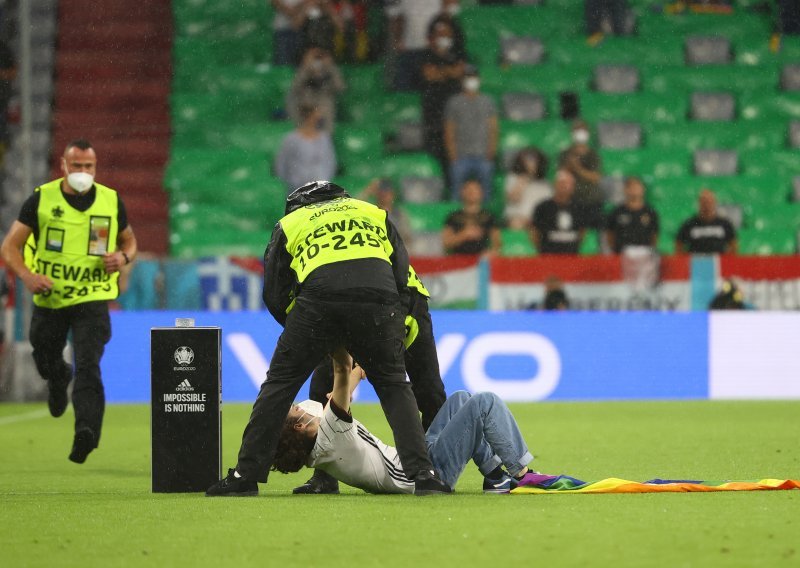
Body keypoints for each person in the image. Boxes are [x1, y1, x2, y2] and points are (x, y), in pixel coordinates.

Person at [206, 181, 451, 496]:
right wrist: (391, 319)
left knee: (280, 384)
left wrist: (305, 331)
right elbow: (401, 273)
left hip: (319, 301)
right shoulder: (373, 213)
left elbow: (275, 294)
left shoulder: (291, 223)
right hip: (382, 302)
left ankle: (246, 476)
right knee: (393, 385)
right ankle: (424, 476)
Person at [0, 139, 137, 464]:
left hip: (92, 298)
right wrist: (28, 277)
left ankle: (86, 433)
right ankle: (57, 376)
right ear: (63, 166)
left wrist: (122, 258)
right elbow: (10, 247)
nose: (82, 172)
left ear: (95, 167)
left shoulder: (110, 200)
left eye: (88, 166)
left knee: (89, 364)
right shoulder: (42, 199)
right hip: (50, 297)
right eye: (76, 166)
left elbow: (129, 241)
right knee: (44, 355)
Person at [272, 349, 542, 494]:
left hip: (414, 461)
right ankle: (523, 475)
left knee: (460, 399)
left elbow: (341, 393)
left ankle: (495, 477)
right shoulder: (330, 431)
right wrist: (343, 341)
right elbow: (341, 370)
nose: (300, 406)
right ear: (301, 426)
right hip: (421, 475)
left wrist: (356, 372)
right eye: (296, 409)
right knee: (484, 402)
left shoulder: (319, 451)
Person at [293, 262, 447, 494]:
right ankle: (324, 476)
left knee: (431, 394)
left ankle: (429, 471)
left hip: (404, 299)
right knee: (322, 382)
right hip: (347, 300)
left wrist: (380, 347)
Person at [444, 65, 498, 201]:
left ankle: (485, 219)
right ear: (462, 80)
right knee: (456, 193)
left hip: (483, 156)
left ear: (479, 80)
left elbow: (493, 128)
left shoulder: (488, 101)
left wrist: (490, 152)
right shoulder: (454, 102)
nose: (471, 81)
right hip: (460, 157)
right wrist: (453, 156)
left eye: (473, 77)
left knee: (486, 194)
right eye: (468, 78)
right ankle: (456, 218)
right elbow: (449, 129)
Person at [419, 19, 465, 180]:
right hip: (433, 112)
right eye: (439, 33)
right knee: (435, 155)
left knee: (454, 155)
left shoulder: (459, 53)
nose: (443, 36)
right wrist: (448, 72)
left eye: (446, 32)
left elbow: (459, 72)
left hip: (456, 114)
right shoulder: (426, 55)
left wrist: (441, 73)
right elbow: (429, 74)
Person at [274, 104, 337, 191]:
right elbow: (282, 163)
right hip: (297, 187)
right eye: (315, 116)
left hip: (320, 187)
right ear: (308, 117)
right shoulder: (291, 139)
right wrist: (291, 182)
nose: (318, 118)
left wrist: (325, 181)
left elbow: (330, 161)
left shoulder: (324, 139)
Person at [385, 0, 443, 91]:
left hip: (431, 51)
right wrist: (397, 40)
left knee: (429, 89)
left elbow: (446, 19)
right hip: (408, 49)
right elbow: (396, 18)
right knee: (403, 89)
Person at [558, 119, 604, 232]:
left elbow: (596, 178)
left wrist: (577, 168)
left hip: (591, 201)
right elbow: (561, 176)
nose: (580, 133)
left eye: (582, 130)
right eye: (577, 130)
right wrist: (569, 165)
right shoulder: (565, 154)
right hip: (571, 201)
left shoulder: (593, 155)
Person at [286, 46, 346, 133]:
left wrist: (331, 67)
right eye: (315, 58)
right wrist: (306, 68)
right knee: (293, 98)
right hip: (305, 106)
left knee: (327, 103)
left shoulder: (329, 70)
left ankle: (325, 139)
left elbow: (341, 88)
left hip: (324, 108)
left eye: (320, 57)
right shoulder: (304, 69)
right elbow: (295, 88)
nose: (317, 61)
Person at [531, 169, 584, 255]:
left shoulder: (579, 208)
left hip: (572, 258)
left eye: (568, 184)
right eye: (562, 183)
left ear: (573, 187)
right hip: (548, 258)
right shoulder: (543, 207)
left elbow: (582, 232)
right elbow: (534, 232)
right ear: (555, 184)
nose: (565, 187)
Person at [442, 179, 501, 256]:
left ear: (481, 193)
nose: (471, 192)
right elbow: (445, 243)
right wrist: (463, 235)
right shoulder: (453, 217)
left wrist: (491, 253)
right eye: (468, 189)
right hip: (458, 260)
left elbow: (497, 244)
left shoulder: (489, 216)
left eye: (475, 189)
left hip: (481, 262)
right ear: (462, 192)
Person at [605, 176, 660, 253]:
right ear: (625, 190)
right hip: (622, 254)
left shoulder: (650, 212)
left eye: (637, 187)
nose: (634, 190)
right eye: (631, 187)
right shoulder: (617, 212)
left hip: (644, 254)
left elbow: (654, 236)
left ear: (643, 189)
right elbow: (610, 234)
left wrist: (649, 250)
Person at [675, 189, 737, 254]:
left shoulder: (725, 224)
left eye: (709, 202)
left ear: (715, 203)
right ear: (699, 203)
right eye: (704, 202)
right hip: (696, 262)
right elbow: (679, 244)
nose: (707, 205)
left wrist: (726, 261)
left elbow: (733, 244)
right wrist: (686, 261)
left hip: (717, 262)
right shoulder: (689, 224)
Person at [503, 147, 551, 230]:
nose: (530, 163)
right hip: (516, 217)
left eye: (533, 159)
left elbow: (547, 207)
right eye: (527, 159)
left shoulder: (545, 184)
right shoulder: (513, 178)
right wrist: (524, 179)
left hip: (537, 220)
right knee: (516, 224)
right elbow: (514, 199)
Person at [271, 0, 306, 65]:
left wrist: (297, 15)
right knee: (283, 61)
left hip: (303, 27)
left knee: (300, 62)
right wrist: (292, 13)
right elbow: (275, 2)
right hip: (283, 28)